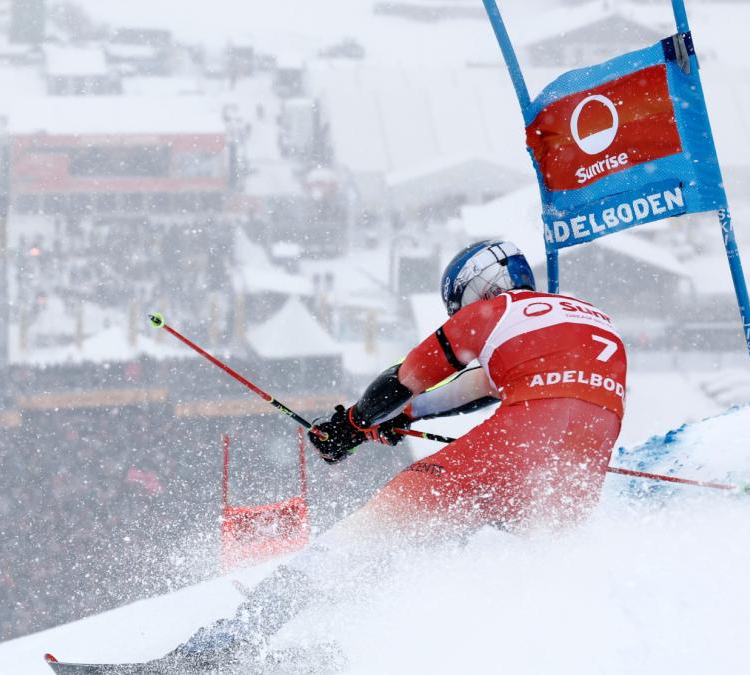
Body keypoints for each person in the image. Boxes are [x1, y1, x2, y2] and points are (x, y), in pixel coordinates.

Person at [171, 240, 627, 667]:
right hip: (575, 477)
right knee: (500, 563)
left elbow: (407, 378)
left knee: (366, 534)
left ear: (479, 287)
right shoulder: (592, 318)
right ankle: (440, 652)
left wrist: (352, 425)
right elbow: (475, 390)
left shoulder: (492, 312)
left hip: (508, 448)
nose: (458, 313)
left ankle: (229, 643)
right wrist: (401, 418)